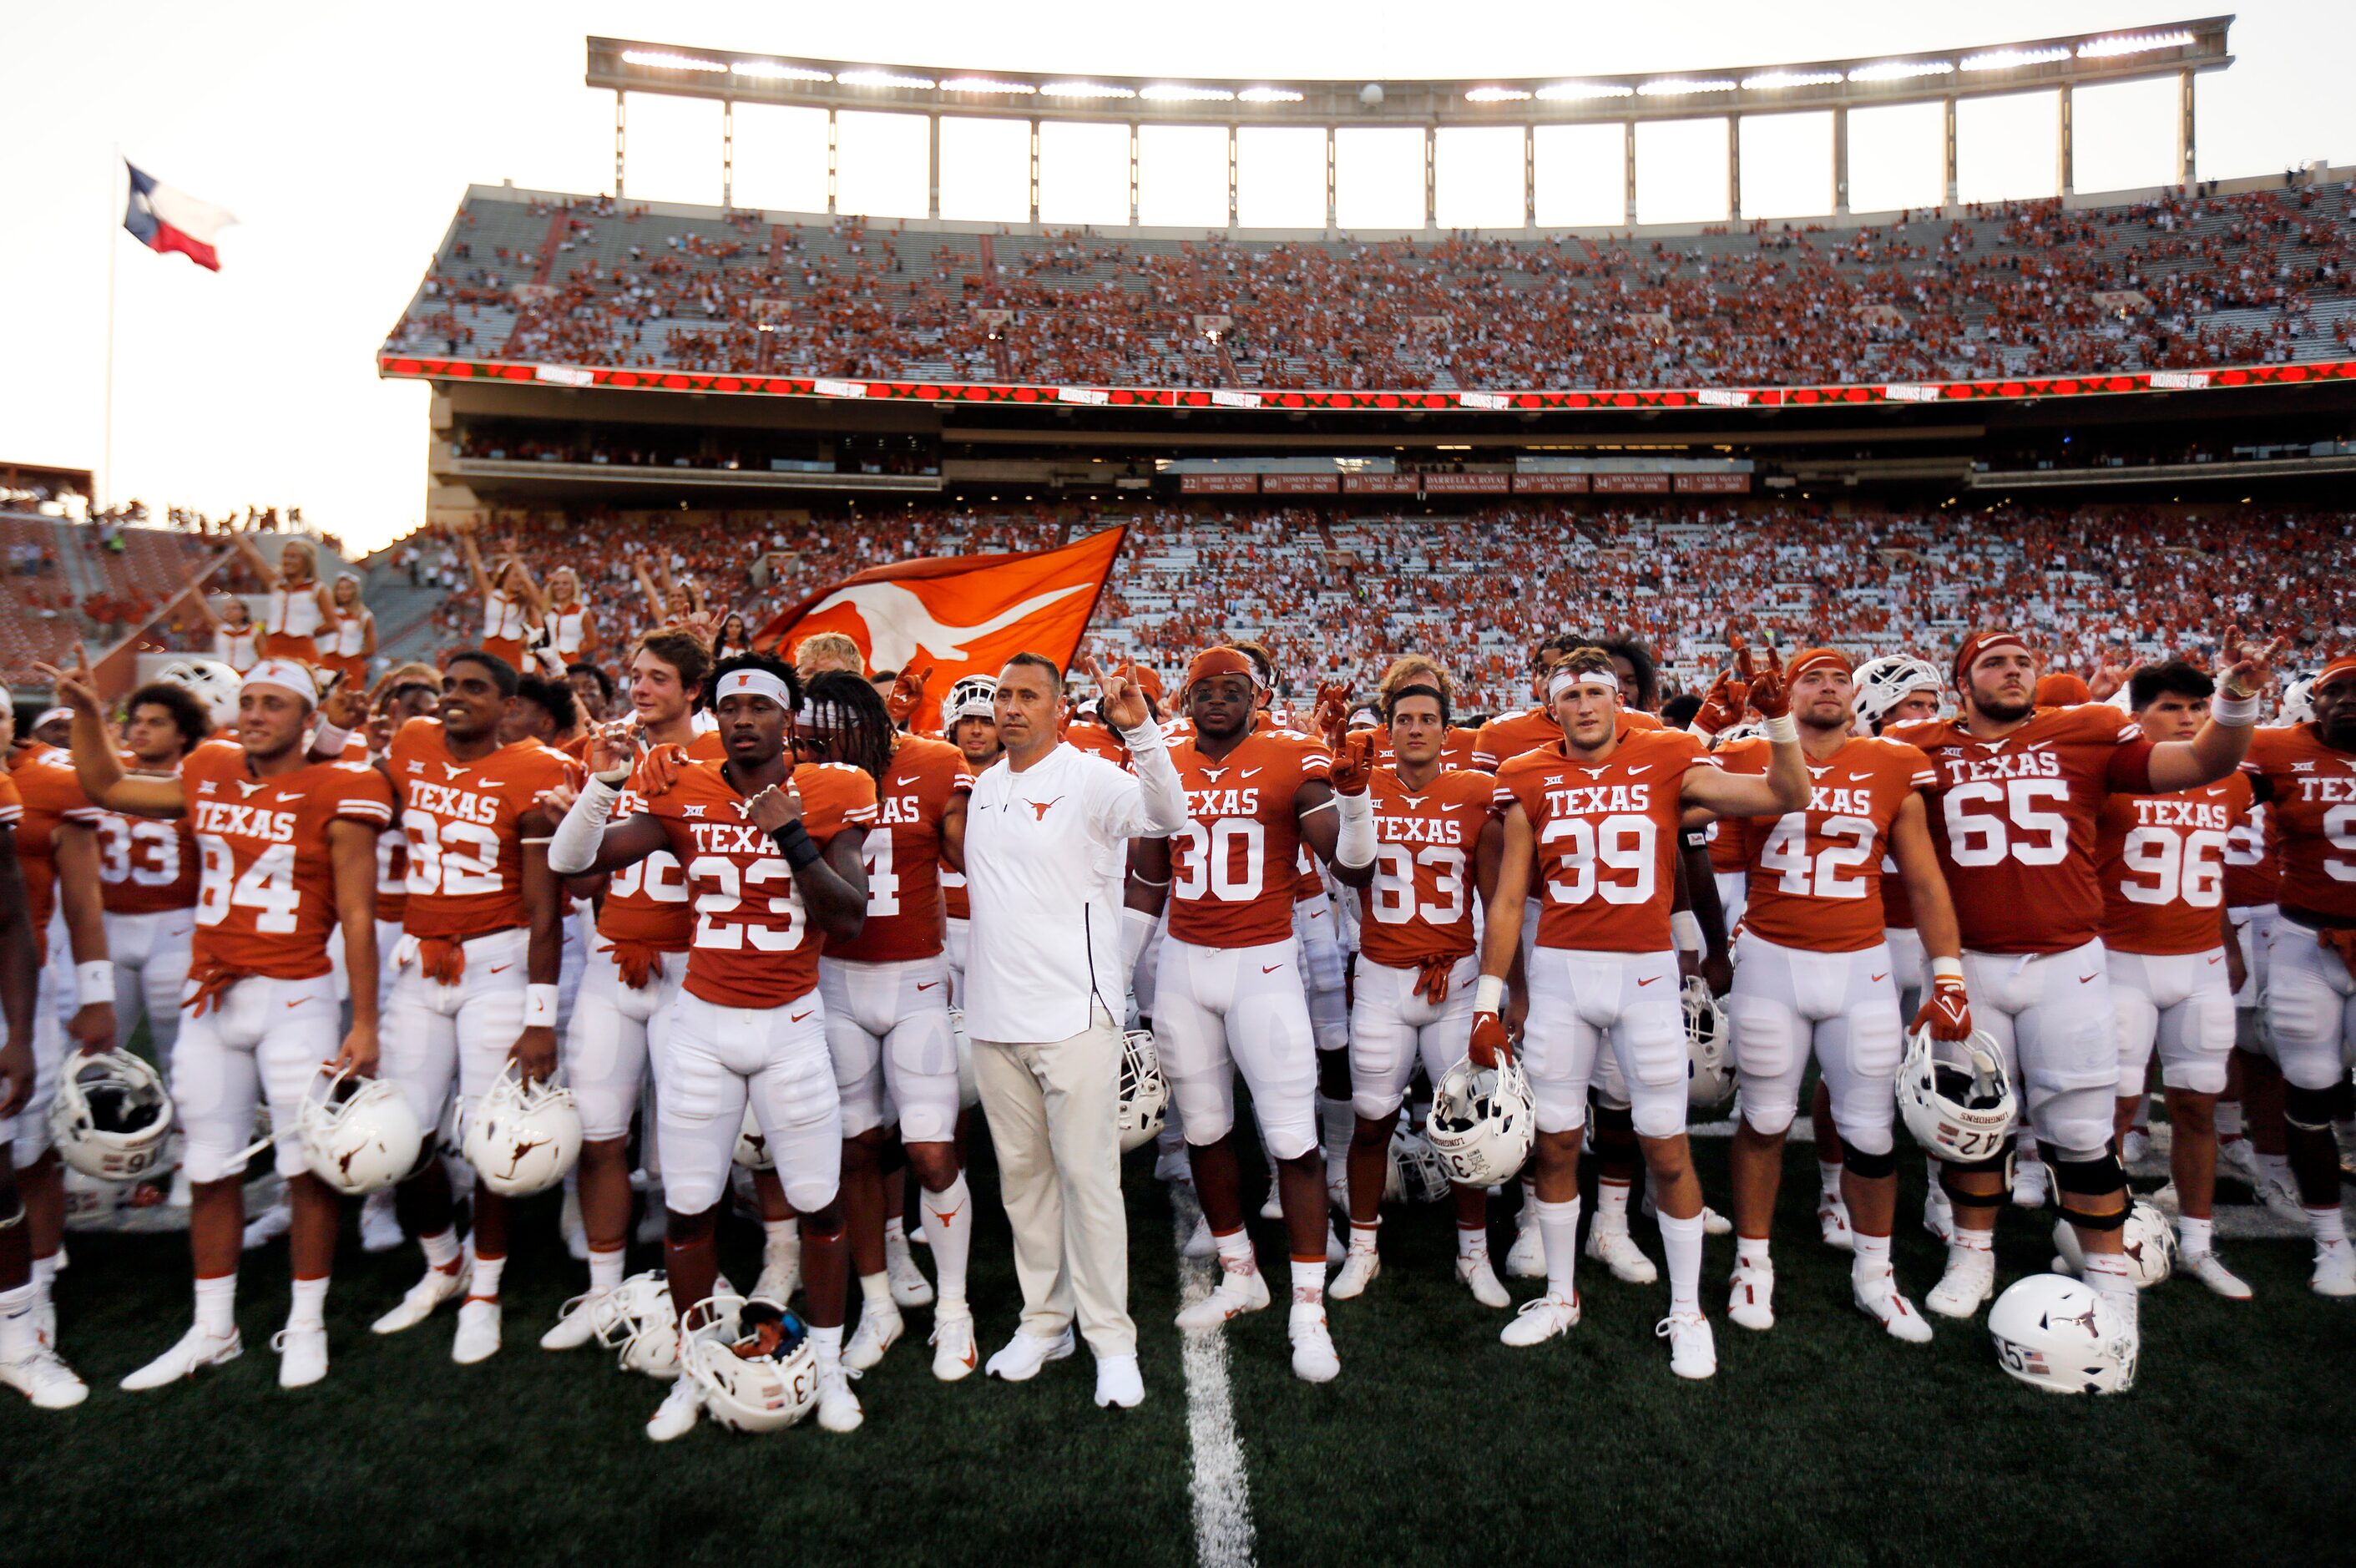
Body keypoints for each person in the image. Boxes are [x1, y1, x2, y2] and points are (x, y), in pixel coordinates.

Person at [1890, 627, 2279, 1351]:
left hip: (2068, 960)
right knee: (1973, 1128)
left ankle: (2109, 1274)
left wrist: (2237, 698)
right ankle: (1972, 1257)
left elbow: (2205, 760)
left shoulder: (2089, 730)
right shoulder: (1922, 746)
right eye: (1994, 663)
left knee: (2080, 1132)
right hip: (1967, 959)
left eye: (2023, 662)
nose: (2013, 672)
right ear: (1961, 680)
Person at [547, 651, 875, 1441]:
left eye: (760, 706)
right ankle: (696, 1371)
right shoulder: (679, 785)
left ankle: (827, 1362)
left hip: (792, 1023)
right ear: (716, 716)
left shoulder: (835, 789)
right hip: (700, 1026)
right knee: (689, 1214)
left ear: (786, 718)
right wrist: (604, 783)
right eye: (730, 708)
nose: (742, 720)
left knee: (820, 1205)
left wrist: (790, 832)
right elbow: (574, 864)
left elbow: (850, 916)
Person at [52, 655, 394, 1389]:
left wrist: (364, 1023)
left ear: (308, 720)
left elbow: (359, 917)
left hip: (295, 996)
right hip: (214, 997)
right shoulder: (208, 767)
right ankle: (214, 1328)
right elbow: (106, 785)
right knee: (209, 1164)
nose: (257, 713)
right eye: (248, 701)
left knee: (306, 1165)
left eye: (275, 703)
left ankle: (306, 1320)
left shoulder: (343, 785)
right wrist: (87, 713)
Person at [1474, 645, 1807, 1378]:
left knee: (1666, 1145)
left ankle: (1687, 1310)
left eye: (1599, 691)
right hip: (1561, 974)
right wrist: (1490, 1000)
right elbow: (1506, 899)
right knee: (1556, 1144)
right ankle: (1561, 1296)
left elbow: (1788, 794)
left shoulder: (1667, 754)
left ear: (1618, 701)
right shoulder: (1525, 773)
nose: (1587, 704)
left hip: (1645, 973)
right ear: (1550, 704)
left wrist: (1779, 720)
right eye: (1573, 694)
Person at [1712, 650, 1959, 1343]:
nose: (1826, 688)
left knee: (1871, 1131)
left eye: (1837, 680)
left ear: (1855, 695)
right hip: (1770, 961)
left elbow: (1925, 879)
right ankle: (1752, 1262)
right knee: (1762, 1118)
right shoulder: (1745, 757)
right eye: (1811, 679)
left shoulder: (1891, 763)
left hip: (1860, 964)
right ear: (1789, 694)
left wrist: (1948, 974)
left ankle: (1876, 1276)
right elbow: (1699, 844)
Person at [959, 652, 1186, 1409]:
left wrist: (1142, 734)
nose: (1011, 708)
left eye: (1028, 696)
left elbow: (1170, 818)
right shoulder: (987, 785)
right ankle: (1044, 1322)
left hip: (1075, 1015)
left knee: (1090, 1181)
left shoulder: (1090, 776)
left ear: (1058, 707)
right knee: (1023, 1184)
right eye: (1002, 696)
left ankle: (1112, 1341)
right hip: (995, 1020)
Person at [1128, 647, 1349, 1383]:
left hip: (1264, 964)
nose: (1217, 700)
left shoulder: (1292, 756)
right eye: (1203, 689)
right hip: (1188, 964)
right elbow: (1150, 882)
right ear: (1186, 700)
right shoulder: (1162, 765)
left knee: (1292, 1136)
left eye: (1232, 689)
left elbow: (1352, 865)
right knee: (1205, 1128)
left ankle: (1309, 1305)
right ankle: (1239, 1269)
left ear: (1256, 697)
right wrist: (1114, 974)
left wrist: (1354, 802)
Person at [371, 651, 579, 1364]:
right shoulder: (411, 744)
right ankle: (442, 1264)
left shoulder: (534, 768)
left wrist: (540, 1014)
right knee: (404, 1134)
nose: (454, 698)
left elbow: (544, 910)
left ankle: (484, 1287)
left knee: (492, 1136)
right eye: (450, 686)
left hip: (496, 962)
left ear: (508, 705)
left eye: (474, 689)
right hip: (419, 959)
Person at [801, 671, 977, 1379]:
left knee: (932, 1151)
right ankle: (877, 1306)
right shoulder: (802, 773)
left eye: (827, 730)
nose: (813, 743)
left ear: (868, 726)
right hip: (834, 981)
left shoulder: (934, 762)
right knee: (856, 1146)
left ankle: (955, 1308)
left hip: (916, 979)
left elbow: (968, 854)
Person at [1321, 664, 1509, 1307]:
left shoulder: (1474, 792)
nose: (1417, 728)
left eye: (1428, 718)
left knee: (1466, 1126)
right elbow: (1348, 875)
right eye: (1405, 719)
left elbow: (1494, 896)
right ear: (1389, 728)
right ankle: (1365, 1249)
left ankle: (1473, 1255)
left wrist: (1496, 988)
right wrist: (1349, 799)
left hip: (1452, 978)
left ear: (1447, 729)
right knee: (1371, 1124)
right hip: (1380, 976)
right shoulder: (1360, 784)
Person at [2096, 660, 2252, 1298]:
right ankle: (2101, 1240)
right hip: (2118, 959)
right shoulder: (2109, 776)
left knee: (2196, 1103)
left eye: (2196, 707)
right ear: (2136, 715)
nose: (2188, 718)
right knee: (2115, 1107)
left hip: (2199, 965)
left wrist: (2230, 939)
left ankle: (2196, 1243)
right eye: (2171, 707)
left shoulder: (2233, 781)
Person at [2237, 655, 2356, 1297]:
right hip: (2304, 939)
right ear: (2314, 702)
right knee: (2309, 1086)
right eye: (2335, 691)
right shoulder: (2276, 749)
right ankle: (2331, 1240)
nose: (2348, 701)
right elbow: (2204, 794)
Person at [0, 692, 83, 1409]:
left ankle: (32, 1301)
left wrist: (20, 1035)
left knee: (21, 1155)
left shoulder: (40, 776)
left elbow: (11, 915)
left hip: (27, 971)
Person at [91, 682, 210, 1091]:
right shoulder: (106, 772)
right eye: (136, 721)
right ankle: (93, 1144)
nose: (140, 730)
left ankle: (183, 1142)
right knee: (95, 1050)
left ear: (183, 733)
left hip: (174, 929)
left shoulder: (199, 781)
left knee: (181, 1051)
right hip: (107, 927)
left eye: (155, 723)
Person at [940, 675, 1003, 1004]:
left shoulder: (1020, 778)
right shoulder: (930, 770)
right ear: (952, 723)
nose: (976, 731)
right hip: (941, 927)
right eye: (968, 720)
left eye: (986, 721)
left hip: (995, 925)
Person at [235, 536, 337, 668]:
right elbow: (253, 556)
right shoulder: (275, 584)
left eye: (294, 557)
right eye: (285, 556)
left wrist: (306, 632)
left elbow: (333, 624)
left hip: (303, 651)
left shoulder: (318, 589)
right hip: (273, 649)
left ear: (306, 561)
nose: (287, 561)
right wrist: (233, 530)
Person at [325, 574, 375, 695]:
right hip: (329, 661)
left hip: (352, 664)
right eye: (340, 589)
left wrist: (355, 658)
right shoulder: (329, 612)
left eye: (348, 588)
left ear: (355, 591)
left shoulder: (364, 616)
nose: (343, 592)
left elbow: (371, 647)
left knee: (350, 697)